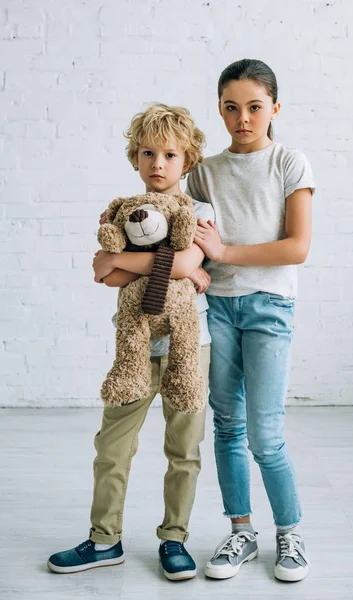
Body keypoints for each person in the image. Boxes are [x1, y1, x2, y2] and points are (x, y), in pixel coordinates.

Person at [47, 104, 214, 581]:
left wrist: (134, 261)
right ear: (135, 158)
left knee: (184, 451)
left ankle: (174, 539)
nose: (157, 164)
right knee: (112, 447)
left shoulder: (199, 212)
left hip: (188, 351)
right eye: (147, 153)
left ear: (188, 160)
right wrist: (173, 264)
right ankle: (105, 539)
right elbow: (103, 270)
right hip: (134, 352)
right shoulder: (122, 212)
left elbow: (182, 261)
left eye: (169, 154)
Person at [186, 58, 315, 582]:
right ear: (219, 109)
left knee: (265, 433)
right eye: (232, 108)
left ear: (274, 109)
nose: (243, 118)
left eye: (255, 107)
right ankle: (241, 529)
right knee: (227, 424)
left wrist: (225, 253)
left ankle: (290, 533)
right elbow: (173, 221)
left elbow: (297, 248)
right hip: (218, 308)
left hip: (269, 308)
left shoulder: (289, 162)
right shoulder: (203, 172)